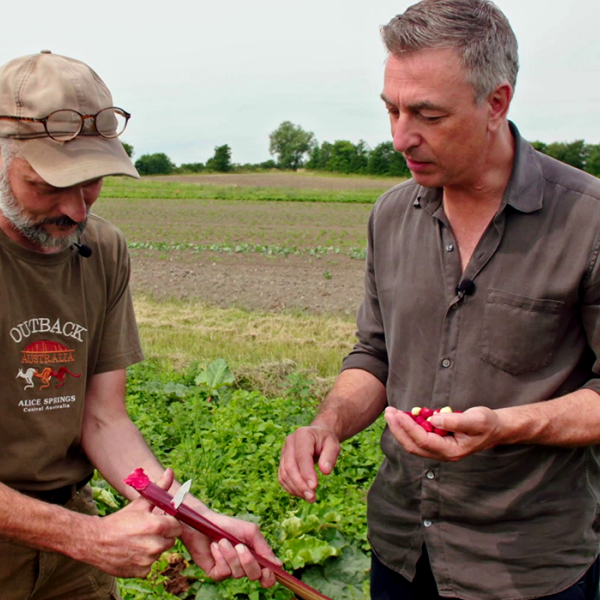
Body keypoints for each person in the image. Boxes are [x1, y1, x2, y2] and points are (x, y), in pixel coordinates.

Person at [278, 1, 600, 599]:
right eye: (392, 109)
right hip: (401, 548)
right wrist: (328, 423)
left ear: (496, 103)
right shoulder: (390, 215)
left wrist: (506, 426)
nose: (402, 136)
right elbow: (374, 356)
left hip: (526, 568)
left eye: (427, 114)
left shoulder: (588, 221)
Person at [0, 51, 279, 600]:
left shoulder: (101, 249)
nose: (77, 211)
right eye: (48, 185)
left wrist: (195, 517)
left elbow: (102, 419)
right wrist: (87, 536)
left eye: (92, 183)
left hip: (68, 540)